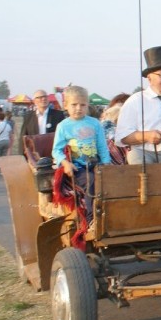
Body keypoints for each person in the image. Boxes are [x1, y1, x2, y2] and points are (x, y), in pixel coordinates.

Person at [52, 86, 111, 224]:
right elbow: (56, 150)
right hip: (77, 167)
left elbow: (102, 146)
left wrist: (107, 164)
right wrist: (66, 163)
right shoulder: (63, 126)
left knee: (110, 182)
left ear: (87, 105)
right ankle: (92, 220)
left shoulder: (95, 123)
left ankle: (110, 215)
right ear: (66, 105)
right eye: (74, 104)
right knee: (91, 181)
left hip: (96, 164)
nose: (78, 108)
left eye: (82, 105)